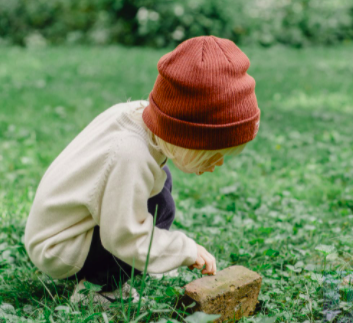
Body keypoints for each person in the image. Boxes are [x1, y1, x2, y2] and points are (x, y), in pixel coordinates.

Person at [23, 35, 261, 306]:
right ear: (185, 135)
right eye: (214, 154)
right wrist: (183, 250)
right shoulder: (129, 155)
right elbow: (124, 238)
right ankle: (98, 289)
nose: (217, 164)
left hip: (74, 224)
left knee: (161, 197)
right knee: (149, 216)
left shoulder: (143, 120)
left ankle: (142, 260)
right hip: (59, 245)